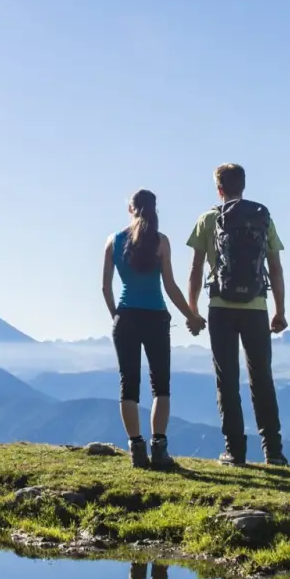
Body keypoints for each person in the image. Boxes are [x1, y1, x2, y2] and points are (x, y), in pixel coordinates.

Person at [185, 162, 289, 466]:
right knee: (262, 379)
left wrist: (192, 310)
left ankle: (234, 451)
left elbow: (195, 269)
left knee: (226, 380)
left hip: (220, 307)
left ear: (219, 189)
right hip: (257, 308)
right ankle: (274, 452)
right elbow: (276, 269)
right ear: (243, 185)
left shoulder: (208, 219)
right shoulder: (262, 217)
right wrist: (280, 312)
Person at [104, 188, 206, 470]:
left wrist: (117, 317)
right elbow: (170, 287)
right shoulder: (161, 242)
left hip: (125, 318)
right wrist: (192, 316)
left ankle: (136, 449)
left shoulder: (113, 241)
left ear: (130, 209)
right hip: (156, 319)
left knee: (128, 385)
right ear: (154, 209)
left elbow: (105, 287)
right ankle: (159, 449)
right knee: (160, 386)